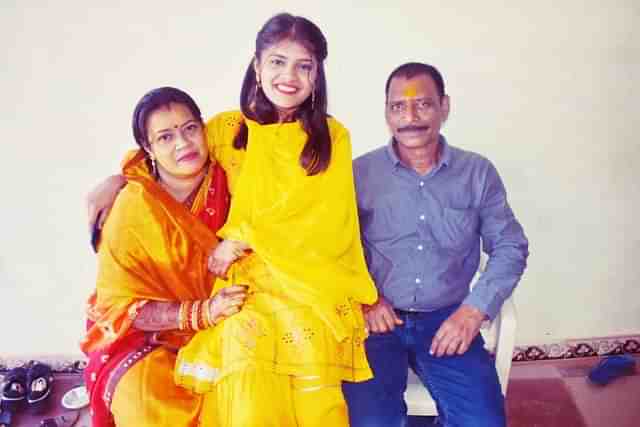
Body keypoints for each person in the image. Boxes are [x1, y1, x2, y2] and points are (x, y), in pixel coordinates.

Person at [86, 13, 378, 427]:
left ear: (318, 75)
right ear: (257, 67)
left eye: (304, 66)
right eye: (277, 62)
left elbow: (324, 221)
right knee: (246, 369)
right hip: (246, 288)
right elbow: (171, 150)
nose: (289, 76)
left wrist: (240, 237)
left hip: (309, 284)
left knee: (311, 390)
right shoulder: (229, 129)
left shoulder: (332, 137)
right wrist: (116, 178)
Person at [341, 62, 529, 427]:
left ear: (444, 107)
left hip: (447, 319)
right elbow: (336, 247)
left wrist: (474, 311)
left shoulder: (477, 173)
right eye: (398, 106)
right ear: (386, 113)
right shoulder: (358, 174)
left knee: (483, 422)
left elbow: (510, 245)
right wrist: (365, 298)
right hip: (376, 322)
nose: (410, 117)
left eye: (423, 104)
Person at [81, 87, 248, 427]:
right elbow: (121, 310)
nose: (183, 144)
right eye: (165, 137)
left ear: (204, 128)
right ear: (148, 148)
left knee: (247, 399)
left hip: (231, 323)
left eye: (190, 129)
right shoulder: (132, 205)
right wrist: (202, 312)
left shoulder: (232, 176)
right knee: (146, 408)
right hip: (146, 339)